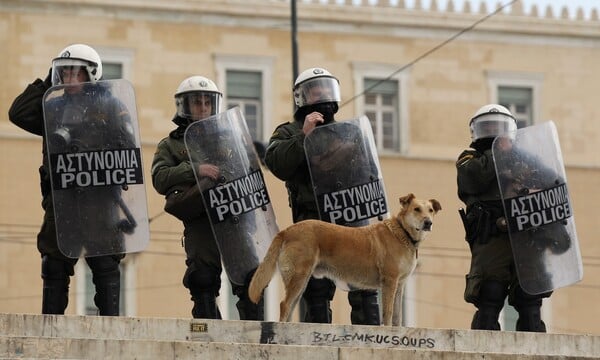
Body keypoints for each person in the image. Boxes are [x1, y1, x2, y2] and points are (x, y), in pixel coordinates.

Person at [8, 43, 130, 315]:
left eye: (76, 72)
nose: (69, 79)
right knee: (54, 263)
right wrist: (45, 82)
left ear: (91, 74)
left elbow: (127, 148)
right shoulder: (53, 107)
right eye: (64, 73)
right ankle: (51, 328)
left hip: (98, 201)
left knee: (105, 263)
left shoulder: (109, 106)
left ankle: (110, 328)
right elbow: (17, 113)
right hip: (61, 201)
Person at [264, 67, 381, 325]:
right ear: (302, 97)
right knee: (315, 288)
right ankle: (318, 344)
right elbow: (276, 162)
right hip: (314, 220)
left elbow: (369, 172)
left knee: (364, 283)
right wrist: (305, 136)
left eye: (327, 89)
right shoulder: (288, 132)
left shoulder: (349, 131)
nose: (322, 94)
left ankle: (371, 340)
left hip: (349, 215)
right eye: (316, 90)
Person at [151, 76, 264, 320]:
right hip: (200, 219)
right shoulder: (171, 144)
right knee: (202, 279)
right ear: (185, 106)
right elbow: (159, 177)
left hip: (234, 215)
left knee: (251, 279)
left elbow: (249, 171)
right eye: (196, 102)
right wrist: (194, 169)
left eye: (206, 101)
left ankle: (255, 337)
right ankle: (210, 336)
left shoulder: (230, 137)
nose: (202, 107)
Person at [456, 103, 553, 332]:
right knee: (490, 293)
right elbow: (474, 178)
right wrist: (499, 153)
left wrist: (535, 190)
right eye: (488, 126)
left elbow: (550, 182)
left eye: (498, 127)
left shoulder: (525, 159)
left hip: (525, 233)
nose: (493, 131)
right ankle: (482, 350)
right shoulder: (469, 158)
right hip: (491, 236)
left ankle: (535, 351)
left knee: (530, 295)